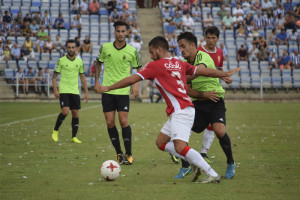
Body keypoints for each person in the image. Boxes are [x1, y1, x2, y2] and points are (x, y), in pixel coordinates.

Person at [96, 36, 240, 183]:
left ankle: (211, 174)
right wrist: (224, 74)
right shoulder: (179, 63)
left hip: (181, 111)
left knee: (179, 147)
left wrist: (108, 87)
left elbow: (131, 79)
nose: (151, 56)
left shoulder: (155, 66)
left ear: (159, 49)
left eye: (152, 52)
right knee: (161, 143)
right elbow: (205, 71)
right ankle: (194, 162)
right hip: (184, 109)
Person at [177, 31, 237, 179]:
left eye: (183, 46)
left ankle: (230, 163)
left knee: (219, 131)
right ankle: (185, 167)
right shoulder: (184, 64)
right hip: (199, 103)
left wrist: (179, 75)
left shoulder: (202, 56)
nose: (181, 50)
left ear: (192, 46)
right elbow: (188, 90)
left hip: (215, 99)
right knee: (181, 132)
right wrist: (203, 94)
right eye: (180, 47)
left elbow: (200, 72)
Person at [93, 21, 142, 165]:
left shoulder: (132, 51)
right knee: (109, 123)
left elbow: (139, 69)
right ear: (114, 32)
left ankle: (129, 154)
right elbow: (98, 63)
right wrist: (97, 82)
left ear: (127, 33)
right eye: (118, 31)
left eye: (123, 31)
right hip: (107, 91)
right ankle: (119, 153)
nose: (120, 34)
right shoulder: (105, 47)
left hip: (123, 92)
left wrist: (136, 85)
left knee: (123, 121)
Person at [51, 39, 89, 144]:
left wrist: (86, 92)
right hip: (64, 90)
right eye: (69, 47)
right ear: (66, 48)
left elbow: (83, 78)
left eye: (73, 47)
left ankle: (74, 137)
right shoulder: (61, 60)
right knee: (65, 111)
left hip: (75, 91)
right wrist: (55, 89)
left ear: (76, 49)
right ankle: (55, 131)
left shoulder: (79, 61)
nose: (71, 49)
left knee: (75, 114)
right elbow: (54, 77)